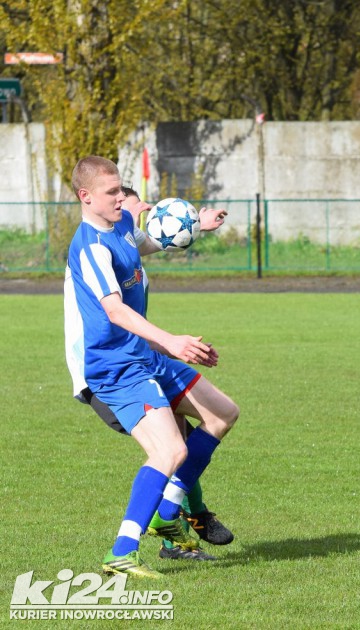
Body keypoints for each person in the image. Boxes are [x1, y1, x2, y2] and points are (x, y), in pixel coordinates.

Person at [65, 156, 240, 578]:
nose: (121, 198)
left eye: (121, 189)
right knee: (171, 449)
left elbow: (150, 242)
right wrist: (172, 341)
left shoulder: (121, 224)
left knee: (222, 414)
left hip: (144, 355)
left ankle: (169, 511)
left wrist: (196, 224)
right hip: (116, 367)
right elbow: (116, 312)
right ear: (85, 197)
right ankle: (121, 554)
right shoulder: (89, 246)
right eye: (111, 192)